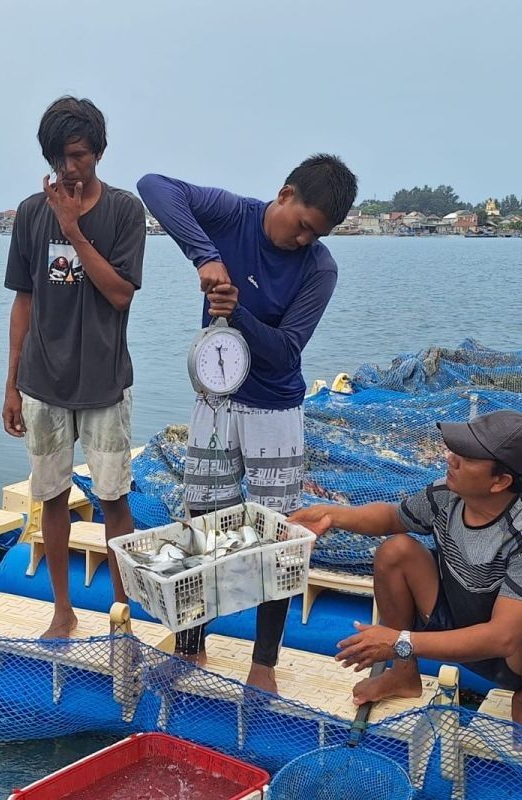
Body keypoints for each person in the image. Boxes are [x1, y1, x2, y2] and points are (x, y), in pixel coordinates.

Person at [138, 155, 358, 692]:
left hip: (275, 413)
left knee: (276, 541)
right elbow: (154, 185)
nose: (305, 239)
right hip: (215, 402)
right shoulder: (233, 215)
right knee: (201, 525)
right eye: (304, 224)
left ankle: (264, 665)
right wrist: (204, 255)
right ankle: (192, 647)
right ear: (284, 195)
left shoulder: (320, 269)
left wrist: (236, 312)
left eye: (318, 234)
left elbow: (285, 354)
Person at [288, 410, 522, 732]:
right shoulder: (446, 496)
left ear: (500, 481)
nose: (451, 458)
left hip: (511, 654)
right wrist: (332, 515)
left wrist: (400, 640)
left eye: (467, 456)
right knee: (396, 550)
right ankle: (404, 675)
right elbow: (391, 519)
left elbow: (502, 637)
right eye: (455, 449)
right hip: (451, 618)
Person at [3, 96, 146, 638]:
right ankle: (62, 610)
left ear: (99, 152)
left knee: (113, 499)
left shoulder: (125, 212)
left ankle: (122, 615)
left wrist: (73, 229)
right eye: (60, 157)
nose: (69, 168)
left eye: (79, 155)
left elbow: (119, 295)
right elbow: (23, 301)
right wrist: (12, 384)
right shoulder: (30, 213)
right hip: (42, 381)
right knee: (51, 496)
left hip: (104, 383)